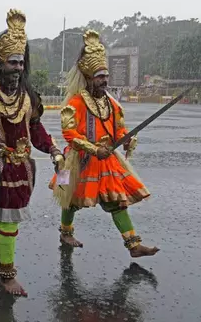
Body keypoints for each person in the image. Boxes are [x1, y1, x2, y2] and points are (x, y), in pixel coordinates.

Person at [0, 9, 64, 296]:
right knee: (8, 220)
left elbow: (36, 129)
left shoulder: (28, 96)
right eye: (11, 63)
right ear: (0, 63)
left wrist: (53, 150)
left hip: (23, 169)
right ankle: (6, 275)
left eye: (20, 63)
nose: (17, 68)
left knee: (7, 216)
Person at [50, 30, 159, 258]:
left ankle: (133, 245)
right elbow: (68, 133)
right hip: (77, 158)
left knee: (116, 202)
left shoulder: (112, 102)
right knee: (68, 198)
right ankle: (65, 231)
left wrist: (128, 138)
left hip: (106, 159)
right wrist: (92, 148)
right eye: (100, 76)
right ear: (89, 77)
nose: (105, 80)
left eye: (106, 76)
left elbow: (119, 128)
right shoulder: (76, 102)